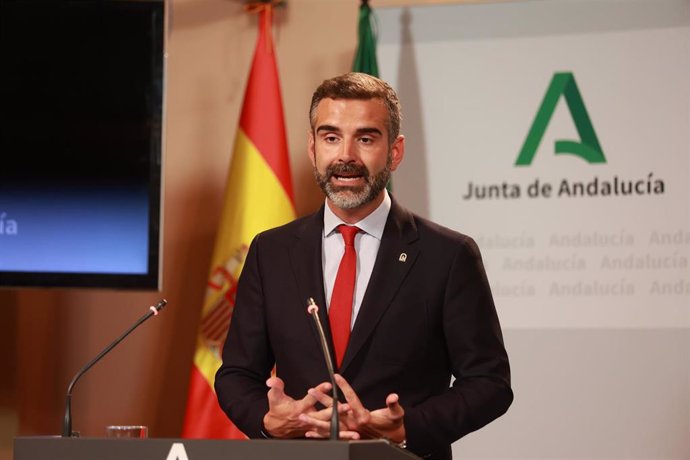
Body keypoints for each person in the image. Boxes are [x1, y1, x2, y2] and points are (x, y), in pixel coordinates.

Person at [215, 72, 512, 460]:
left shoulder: (449, 255)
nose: (346, 157)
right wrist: (267, 421)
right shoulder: (270, 251)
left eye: (366, 138)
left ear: (395, 151)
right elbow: (236, 374)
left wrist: (408, 428)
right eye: (331, 137)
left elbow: (489, 383)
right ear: (312, 147)